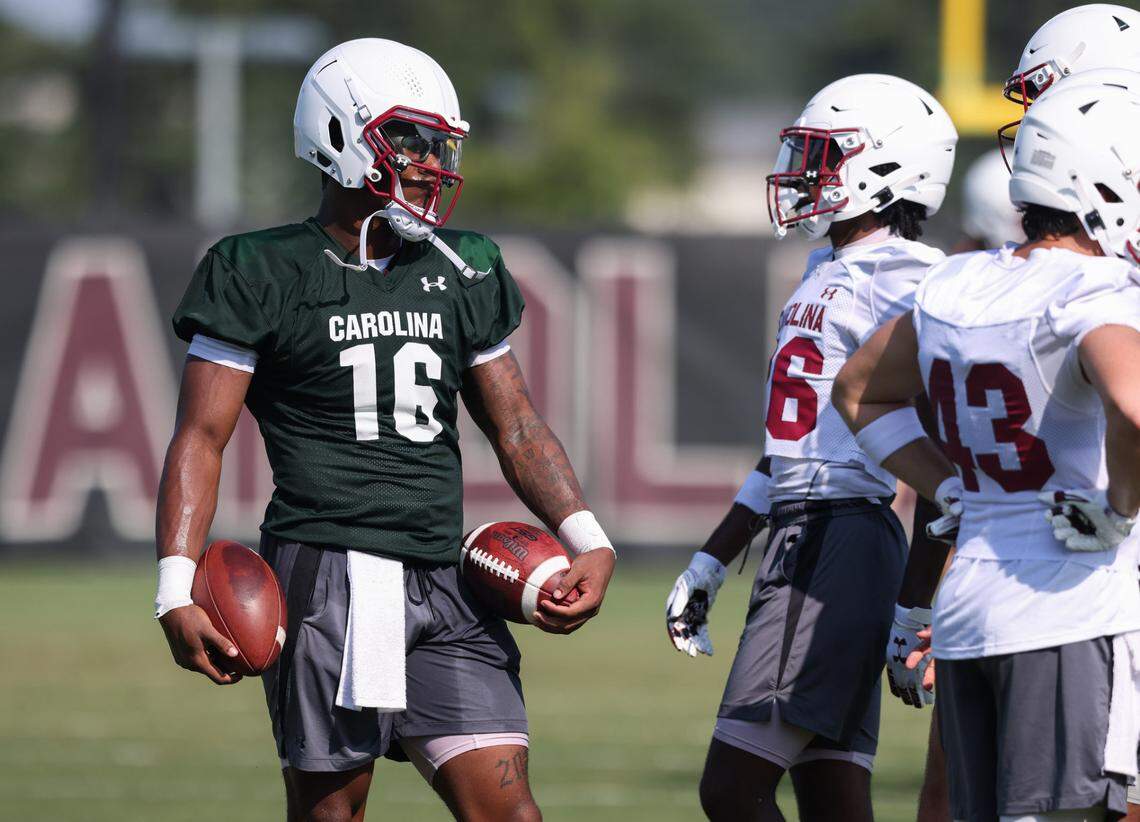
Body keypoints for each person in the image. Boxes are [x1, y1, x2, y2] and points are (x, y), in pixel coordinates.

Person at [152, 39, 616, 822]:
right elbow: (201, 436)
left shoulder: (462, 266)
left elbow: (518, 425)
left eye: (440, 143)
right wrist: (173, 585)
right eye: (410, 140)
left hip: (443, 574)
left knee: (513, 814)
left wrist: (588, 535)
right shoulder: (257, 270)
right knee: (334, 814)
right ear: (339, 135)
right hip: (329, 571)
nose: (432, 162)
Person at [834, 81, 1140, 822]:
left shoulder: (956, 280)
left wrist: (950, 491)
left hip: (972, 609)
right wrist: (1119, 507)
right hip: (1070, 607)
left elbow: (858, 393)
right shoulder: (1094, 290)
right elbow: (1134, 406)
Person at [665, 73, 957, 822]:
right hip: (811, 531)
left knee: (730, 788)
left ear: (885, 167)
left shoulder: (912, 279)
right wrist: (712, 556)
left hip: (841, 539)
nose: (804, 172)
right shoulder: (825, 265)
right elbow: (792, 446)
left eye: (824, 155)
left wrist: (913, 607)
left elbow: (940, 457)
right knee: (830, 794)